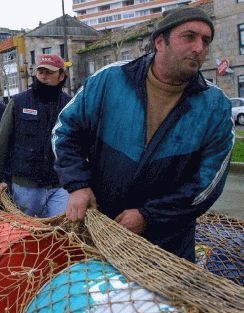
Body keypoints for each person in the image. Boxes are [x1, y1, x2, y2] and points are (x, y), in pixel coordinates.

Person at [52, 7, 234, 262]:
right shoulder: (109, 80)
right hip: (99, 230)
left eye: (206, 40)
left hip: (168, 247)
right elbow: (65, 132)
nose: (199, 48)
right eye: (189, 37)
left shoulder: (216, 106)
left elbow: (206, 185)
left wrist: (149, 216)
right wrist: (77, 185)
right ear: (160, 42)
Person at [0, 54, 71, 217]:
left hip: (60, 184)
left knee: (61, 230)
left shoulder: (70, 104)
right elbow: (2, 142)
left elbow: (78, 144)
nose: (43, 76)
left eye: (49, 72)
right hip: (26, 185)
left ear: (61, 76)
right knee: (29, 232)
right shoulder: (19, 102)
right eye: (40, 71)